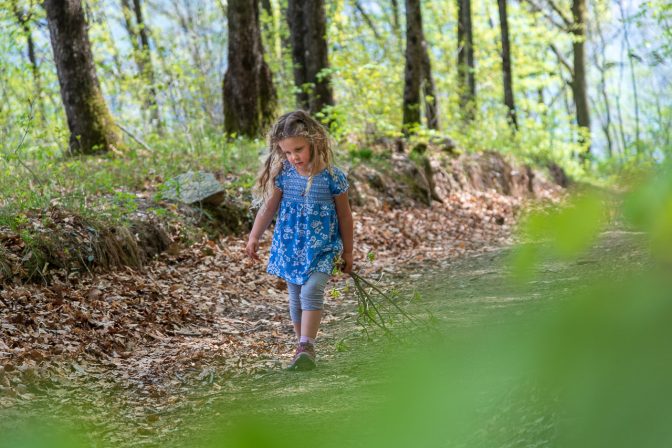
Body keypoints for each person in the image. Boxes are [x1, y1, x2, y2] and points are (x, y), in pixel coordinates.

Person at [245, 110, 354, 371]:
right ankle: (302, 347)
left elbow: (345, 216)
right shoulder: (284, 175)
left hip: (323, 248)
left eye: (299, 150)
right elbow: (267, 209)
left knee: (311, 290)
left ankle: (307, 345)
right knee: (295, 297)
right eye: (287, 152)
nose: (294, 157)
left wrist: (348, 252)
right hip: (291, 247)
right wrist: (254, 236)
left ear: (315, 142)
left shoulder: (332, 177)